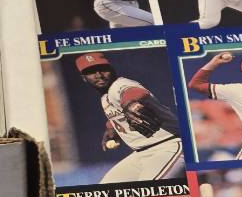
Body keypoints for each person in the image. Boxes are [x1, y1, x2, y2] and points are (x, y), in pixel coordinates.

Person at [74, 51, 184, 182]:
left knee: (148, 191)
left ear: (111, 69)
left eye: (103, 69)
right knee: (105, 190)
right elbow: (116, 114)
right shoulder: (104, 96)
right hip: (140, 154)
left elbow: (134, 92)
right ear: (84, 78)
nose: (99, 75)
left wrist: (129, 104)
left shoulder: (120, 84)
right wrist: (112, 128)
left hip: (168, 147)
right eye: (91, 72)